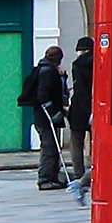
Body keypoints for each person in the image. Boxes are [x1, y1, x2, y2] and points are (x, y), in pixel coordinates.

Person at [22, 47, 68, 190]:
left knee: (53, 147)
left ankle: (53, 176)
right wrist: (53, 113)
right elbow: (43, 95)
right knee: (49, 148)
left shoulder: (44, 69)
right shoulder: (47, 72)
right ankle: (45, 178)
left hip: (44, 117)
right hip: (46, 118)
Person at [66, 37, 94, 205]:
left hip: (79, 109)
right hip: (96, 107)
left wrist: (85, 109)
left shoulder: (78, 64)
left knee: (76, 142)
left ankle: (78, 174)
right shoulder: (100, 60)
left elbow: (80, 89)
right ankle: (90, 174)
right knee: (95, 143)